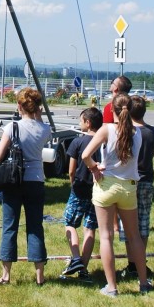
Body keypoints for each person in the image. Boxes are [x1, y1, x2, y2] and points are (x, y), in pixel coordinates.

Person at [81, 93, 152, 297]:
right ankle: (144, 282)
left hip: (106, 186)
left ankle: (111, 287)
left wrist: (94, 168)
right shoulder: (137, 133)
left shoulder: (106, 129)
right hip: (129, 187)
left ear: (112, 109)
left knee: (106, 237)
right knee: (134, 236)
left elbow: (86, 155)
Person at [0, 86, 51, 286]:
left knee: (10, 226)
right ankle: (40, 276)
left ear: (19, 106)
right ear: (37, 107)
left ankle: (6, 275)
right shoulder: (45, 129)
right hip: (36, 180)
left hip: (14, 181)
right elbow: (43, 129)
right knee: (35, 226)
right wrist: (40, 115)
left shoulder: (12, 128)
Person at [59, 107, 102, 283]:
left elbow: (71, 170)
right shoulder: (104, 141)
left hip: (79, 188)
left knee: (70, 223)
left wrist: (72, 184)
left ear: (88, 123)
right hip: (98, 189)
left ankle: (76, 258)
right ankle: (83, 268)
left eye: (80, 120)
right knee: (90, 228)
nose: (79, 123)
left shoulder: (78, 142)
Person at [118, 94, 154, 281]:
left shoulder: (128, 131)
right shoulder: (153, 131)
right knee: (143, 224)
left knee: (128, 225)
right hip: (147, 180)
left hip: (130, 180)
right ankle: (141, 262)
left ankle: (133, 264)